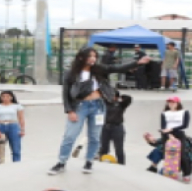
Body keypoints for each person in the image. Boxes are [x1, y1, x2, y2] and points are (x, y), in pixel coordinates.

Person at [51, 47, 147, 175]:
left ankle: (89, 161)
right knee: (70, 135)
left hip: (98, 107)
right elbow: (65, 93)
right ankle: (61, 162)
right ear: (81, 58)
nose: (93, 59)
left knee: (95, 137)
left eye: (95, 56)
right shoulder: (71, 73)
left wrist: (137, 63)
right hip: (79, 106)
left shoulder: (99, 70)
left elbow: (117, 68)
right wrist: (69, 111)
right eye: (90, 56)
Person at [144, 96, 192, 182]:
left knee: (180, 154)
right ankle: (161, 169)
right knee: (166, 153)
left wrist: (171, 130)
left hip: (179, 134)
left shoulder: (184, 112)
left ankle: (186, 174)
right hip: (166, 135)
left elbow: (185, 125)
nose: (171, 104)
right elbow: (163, 127)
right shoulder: (164, 113)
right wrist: (168, 135)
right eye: (169, 102)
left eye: (173, 102)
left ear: (178, 103)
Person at [96, 90, 132, 164]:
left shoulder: (120, 105)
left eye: (113, 96)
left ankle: (121, 163)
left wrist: (120, 97)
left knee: (119, 148)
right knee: (103, 148)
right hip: (105, 127)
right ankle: (102, 162)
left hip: (117, 127)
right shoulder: (104, 104)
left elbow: (129, 98)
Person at [0, 90, 25, 163]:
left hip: (13, 125)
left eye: (8, 96)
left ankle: (16, 163)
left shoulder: (17, 106)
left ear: (11, 97)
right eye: (3, 96)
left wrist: (22, 129)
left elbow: (21, 118)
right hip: (1, 125)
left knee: (16, 148)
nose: (5, 98)